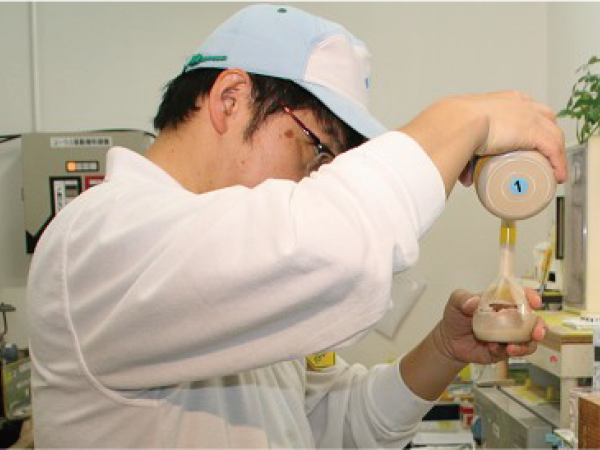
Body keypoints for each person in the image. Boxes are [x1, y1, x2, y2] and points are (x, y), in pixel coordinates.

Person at [27, 4, 566, 450]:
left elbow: (341, 424)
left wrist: (445, 350)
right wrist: (462, 119)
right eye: (317, 148)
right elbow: (329, 243)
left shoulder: (231, 264)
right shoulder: (101, 237)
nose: (315, 177)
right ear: (230, 100)